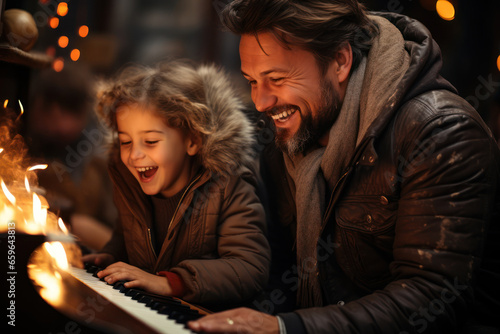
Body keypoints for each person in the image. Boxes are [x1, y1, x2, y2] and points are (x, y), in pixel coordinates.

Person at [188, 0, 500, 333]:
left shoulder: (441, 134)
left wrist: (284, 328)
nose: (261, 102)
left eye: (276, 79)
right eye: (252, 81)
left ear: (339, 61)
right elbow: (276, 272)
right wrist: (181, 286)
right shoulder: (291, 129)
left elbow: (430, 299)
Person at [82, 61, 271, 308]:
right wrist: (112, 255)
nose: (134, 155)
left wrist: (171, 283)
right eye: (126, 142)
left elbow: (249, 268)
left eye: (150, 141)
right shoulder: (130, 180)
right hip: (150, 311)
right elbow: (128, 233)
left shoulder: (229, 186)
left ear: (192, 141)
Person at [26, 65, 117, 252]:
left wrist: (79, 226)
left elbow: (117, 236)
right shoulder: (22, 148)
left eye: (70, 110)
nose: (60, 122)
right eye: (49, 109)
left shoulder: (100, 158)